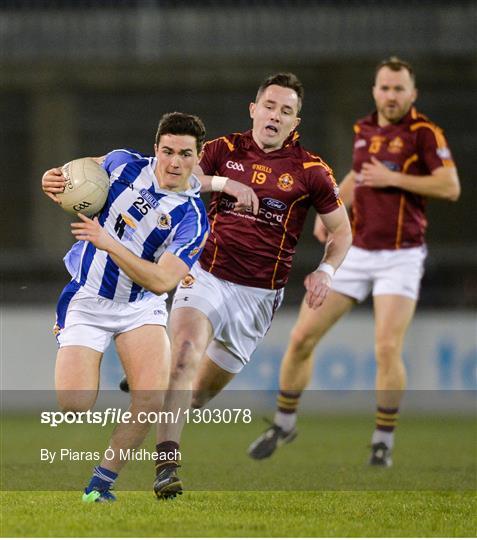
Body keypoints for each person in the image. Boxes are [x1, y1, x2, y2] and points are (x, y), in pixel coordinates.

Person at [247, 57, 461, 467]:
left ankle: (382, 439)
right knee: (301, 339)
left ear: (412, 94)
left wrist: (394, 178)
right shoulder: (365, 130)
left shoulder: (424, 134)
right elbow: (358, 176)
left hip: (401, 256)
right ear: (375, 91)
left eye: (399, 89)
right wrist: (334, 215)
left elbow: (450, 186)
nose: (391, 95)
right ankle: (284, 422)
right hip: (358, 253)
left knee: (386, 347)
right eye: (384, 87)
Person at [147, 73, 352, 498]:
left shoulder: (312, 172)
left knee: (197, 394)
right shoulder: (224, 150)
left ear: (296, 122)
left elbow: (342, 232)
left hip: (257, 298)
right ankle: (166, 465)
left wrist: (326, 271)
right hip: (205, 274)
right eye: (270, 106)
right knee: (184, 357)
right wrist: (225, 183)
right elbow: (177, 179)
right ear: (253, 109)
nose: (275, 116)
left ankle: (156, 379)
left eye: (286, 111)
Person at [43, 112, 215, 503]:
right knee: (73, 405)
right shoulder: (123, 162)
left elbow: (161, 281)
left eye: (185, 154)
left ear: (198, 157)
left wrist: (109, 243)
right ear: (155, 149)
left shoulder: (192, 219)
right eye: (167, 151)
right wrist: (50, 179)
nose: (175, 162)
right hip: (87, 298)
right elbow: (76, 175)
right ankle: (83, 349)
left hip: (140, 305)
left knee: (151, 399)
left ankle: (99, 486)